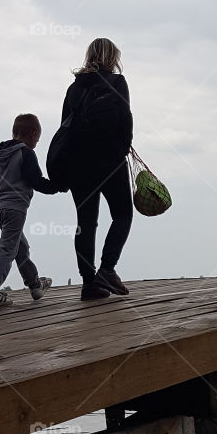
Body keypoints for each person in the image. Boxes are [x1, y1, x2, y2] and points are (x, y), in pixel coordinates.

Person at [58, 37, 133, 301]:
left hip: (78, 164)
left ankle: (89, 283)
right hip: (110, 160)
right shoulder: (117, 83)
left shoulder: (74, 88)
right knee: (123, 214)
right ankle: (108, 268)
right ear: (112, 57)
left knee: (85, 223)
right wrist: (124, 147)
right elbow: (126, 120)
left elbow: (64, 127)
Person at [0, 113, 58, 308]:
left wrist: (2, 184)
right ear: (32, 134)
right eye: (37, 140)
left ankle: (35, 285)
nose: (36, 144)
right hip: (15, 208)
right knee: (7, 248)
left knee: (20, 247)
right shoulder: (26, 153)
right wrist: (57, 187)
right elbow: (35, 181)